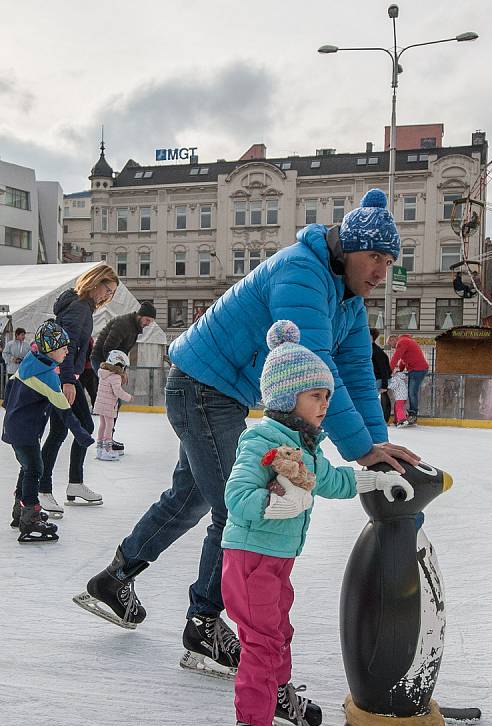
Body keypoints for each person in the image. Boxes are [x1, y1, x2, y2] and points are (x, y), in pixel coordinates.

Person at [74, 188, 419, 677]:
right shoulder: (302, 274)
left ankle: (113, 579)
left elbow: (358, 372)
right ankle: (203, 625)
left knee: (187, 498)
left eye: (389, 260)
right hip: (203, 386)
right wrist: (360, 450)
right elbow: (319, 370)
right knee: (232, 506)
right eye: (376, 258)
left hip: (218, 390)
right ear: (348, 247)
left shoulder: (346, 300)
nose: (383, 272)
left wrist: (374, 443)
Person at [222, 321, 412, 726]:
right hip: (249, 561)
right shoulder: (261, 440)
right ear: (287, 399)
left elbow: (333, 481)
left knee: (280, 633)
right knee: (262, 644)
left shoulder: (307, 444)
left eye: (326, 396)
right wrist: (274, 503)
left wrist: (375, 479)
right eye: (315, 397)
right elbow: (237, 496)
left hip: (275, 562)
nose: (324, 406)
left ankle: (279, 699)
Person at [1, 321, 94, 543]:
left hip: (17, 426)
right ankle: (30, 520)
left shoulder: (31, 362)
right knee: (35, 468)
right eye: (64, 348)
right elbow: (65, 412)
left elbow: (10, 386)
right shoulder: (48, 376)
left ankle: (20, 511)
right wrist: (83, 436)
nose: (66, 352)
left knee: (27, 467)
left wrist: (11, 407)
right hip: (26, 430)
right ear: (51, 349)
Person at [39, 264, 119, 515]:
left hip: (66, 376)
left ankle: (74, 483)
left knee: (83, 425)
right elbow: (68, 346)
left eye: (113, 293)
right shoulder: (80, 308)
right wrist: (68, 381)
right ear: (96, 283)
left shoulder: (80, 306)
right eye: (108, 289)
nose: (108, 296)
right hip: (63, 378)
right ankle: (42, 490)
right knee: (59, 432)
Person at [91, 301, 156, 455]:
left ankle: (108, 439)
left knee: (113, 403)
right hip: (101, 359)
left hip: (114, 362)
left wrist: (122, 370)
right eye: (147, 320)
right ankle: (106, 443)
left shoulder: (134, 327)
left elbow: (122, 352)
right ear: (140, 316)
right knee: (111, 400)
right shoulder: (123, 324)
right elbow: (109, 349)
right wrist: (120, 371)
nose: (148, 324)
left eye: (151, 322)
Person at [92, 350, 133, 461]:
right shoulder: (115, 377)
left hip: (100, 404)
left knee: (102, 425)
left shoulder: (103, 373)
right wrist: (129, 397)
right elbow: (117, 392)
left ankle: (99, 450)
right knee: (109, 427)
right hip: (109, 405)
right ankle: (107, 450)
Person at [390, 333, 429, 424]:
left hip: (417, 369)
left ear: (393, 339)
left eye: (390, 344)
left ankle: (413, 415)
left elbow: (396, 357)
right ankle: (411, 414)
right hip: (417, 369)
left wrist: (388, 371)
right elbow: (403, 360)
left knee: (412, 392)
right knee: (411, 392)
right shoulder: (406, 341)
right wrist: (400, 369)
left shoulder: (402, 342)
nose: (392, 347)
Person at [370, 327, 392, 423]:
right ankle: (383, 418)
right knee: (377, 398)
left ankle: (383, 418)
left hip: (380, 379)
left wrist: (384, 385)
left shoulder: (377, 351)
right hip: (377, 378)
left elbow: (384, 369)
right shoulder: (371, 349)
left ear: (371, 337)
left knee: (372, 398)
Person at [79, 337, 99, 407]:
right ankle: (95, 407)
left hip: (84, 368)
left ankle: (82, 408)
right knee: (92, 391)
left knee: (81, 390)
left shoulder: (84, 338)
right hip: (90, 368)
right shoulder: (90, 339)